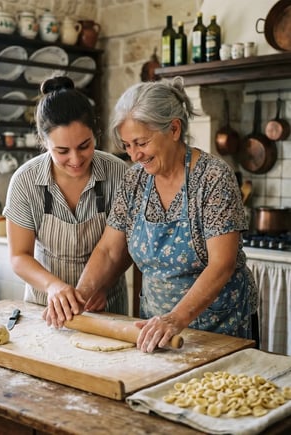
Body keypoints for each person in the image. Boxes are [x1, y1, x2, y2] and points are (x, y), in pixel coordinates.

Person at [45, 77, 259, 352]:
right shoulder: (134, 180)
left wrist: (175, 319)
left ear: (173, 129)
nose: (135, 155)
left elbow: (222, 264)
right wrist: (81, 296)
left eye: (141, 143)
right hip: (155, 330)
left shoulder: (213, 177)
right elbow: (110, 250)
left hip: (221, 328)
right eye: (127, 146)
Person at [3, 76, 129, 321]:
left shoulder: (118, 174)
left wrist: (103, 284)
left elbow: (123, 248)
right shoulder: (25, 181)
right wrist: (53, 286)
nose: (75, 159)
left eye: (84, 146)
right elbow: (19, 256)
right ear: (44, 142)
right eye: (62, 151)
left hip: (105, 308)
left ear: (95, 133)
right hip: (45, 309)